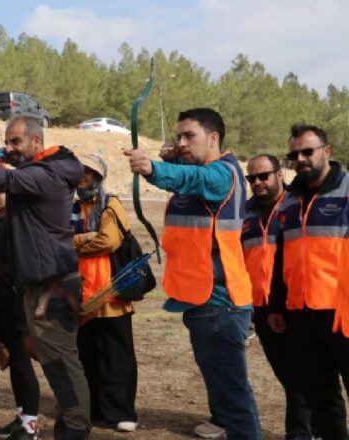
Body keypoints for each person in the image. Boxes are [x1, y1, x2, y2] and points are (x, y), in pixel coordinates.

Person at [125, 108, 260, 439]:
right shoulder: (203, 169)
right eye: (179, 136)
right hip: (203, 299)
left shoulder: (221, 174)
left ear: (214, 138)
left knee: (233, 396)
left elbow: (194, 179)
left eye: (190, 137)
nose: (182, 142)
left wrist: (154, 167)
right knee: (224, 390)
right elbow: (189, 175)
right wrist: (178, 158)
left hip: (220, 302)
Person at [0, 115, 91, 439]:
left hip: (54, 286)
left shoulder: (47, 174)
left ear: (36, 142)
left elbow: (11, 182)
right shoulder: (42, 170)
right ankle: (68, 426)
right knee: (56, 364)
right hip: (41, 285)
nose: (9, 147)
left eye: (15, 142)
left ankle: (75, 430)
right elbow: (9, 177)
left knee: (62, 364)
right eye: (7, 141)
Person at [268, 124, 349, 440]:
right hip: (301, 315)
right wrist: (277, 305)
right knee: (321, 398)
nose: (299, 159)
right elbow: (280, 258)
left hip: (342, 314)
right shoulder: (288, 200)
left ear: (326, 151)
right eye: (293, 155)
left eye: (307, 151)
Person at [242, 154, 316, 440]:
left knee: (301, 374)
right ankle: (313, 427)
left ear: (279, 174)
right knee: (287, 375)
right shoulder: (244, 213)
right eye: (252, 178)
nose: (257, 183)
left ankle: (301, 432)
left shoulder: (296, 207)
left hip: (294, 302)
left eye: (264, 176)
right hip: (260, 307)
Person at [71, 154, 138, 433]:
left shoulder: (111, 205)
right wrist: (83, 239)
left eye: (88, 173)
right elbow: (56, 239)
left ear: (98, 177)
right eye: (79, 173)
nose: (82, 177)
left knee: (116, 357)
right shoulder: (71, 208)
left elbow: (108, 241)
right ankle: (95, 409)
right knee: (86, 356)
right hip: (80, 296)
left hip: (111, 295)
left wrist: (74, 242)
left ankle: (121, 412)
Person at [0, 190, 41, 440]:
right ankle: (21, 417)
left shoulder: (20, 225)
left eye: (2, 192)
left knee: (21, 361)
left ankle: (31, 426)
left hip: (19, 305)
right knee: (13, 363)